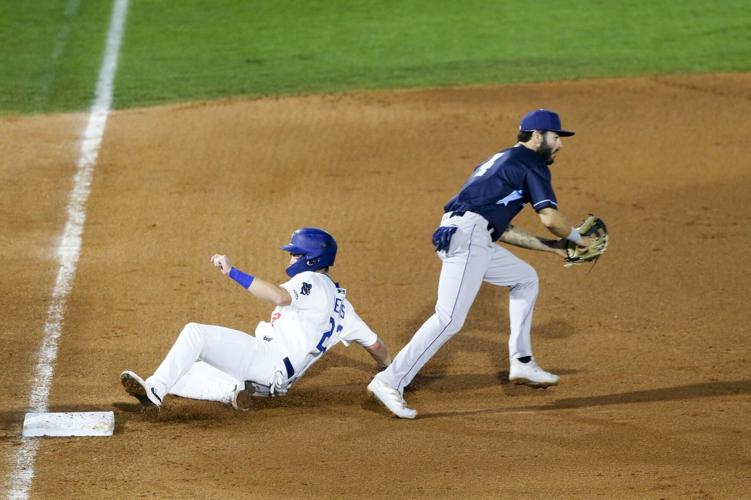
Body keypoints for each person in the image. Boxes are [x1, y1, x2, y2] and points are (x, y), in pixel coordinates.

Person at [367, 109, 596, 419]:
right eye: (557, 138)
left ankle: (522, 361)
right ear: (538, 136)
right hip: (469, 237)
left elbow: (499, 226)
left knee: (525, 278)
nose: (561, 145)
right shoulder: (532, 163)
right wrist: (577, 238)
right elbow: (550, 218)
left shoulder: (503, 160)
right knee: (449, 318)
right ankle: (389, 381)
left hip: (469, 234)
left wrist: (552, 247)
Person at [121, 227, 391, 417]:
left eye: (296, 255)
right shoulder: (345, 308)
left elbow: (279, 296)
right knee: (182, 369)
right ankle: (232, 391)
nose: (291, 258)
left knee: (195, 335)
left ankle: (154, 392)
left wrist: (232, 272)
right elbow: (377, 346)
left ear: (312, 259)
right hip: (276, 381)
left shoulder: (311, 281)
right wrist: (387, 370)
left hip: (266, 359)